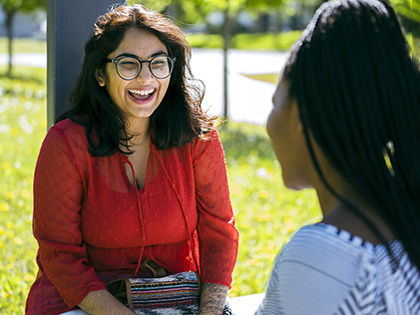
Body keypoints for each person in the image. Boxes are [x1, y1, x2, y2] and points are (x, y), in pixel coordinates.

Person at [25, 4, 238, 315]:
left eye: (158, 63)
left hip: (172, 295)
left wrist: (210, 313)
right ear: (100, 73)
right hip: (83, 302)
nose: (145, 78)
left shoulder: (197, 138)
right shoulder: (66, 144)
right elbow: (59, 254)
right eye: (128, 64)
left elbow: (220, 235)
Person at [257, 0, 420, 314]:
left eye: (276, 103)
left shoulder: (321, 254)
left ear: (302, 116)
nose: (269, 126)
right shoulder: (406, 222)